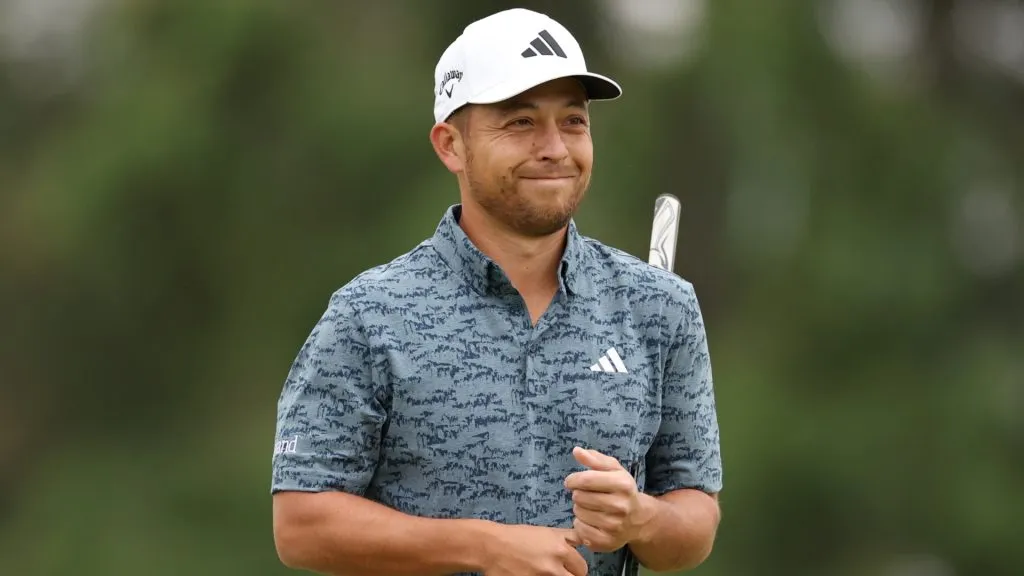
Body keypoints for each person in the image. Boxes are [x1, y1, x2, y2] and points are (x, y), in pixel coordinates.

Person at [270, 8, 723, 576]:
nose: (555, 147)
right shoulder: (369, 314)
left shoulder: (660, 307)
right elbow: (301, 524)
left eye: (574, 122)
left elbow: (695, 519)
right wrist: (484, 546)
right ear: (451, 145)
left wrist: (641, 520)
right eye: (520, 123)